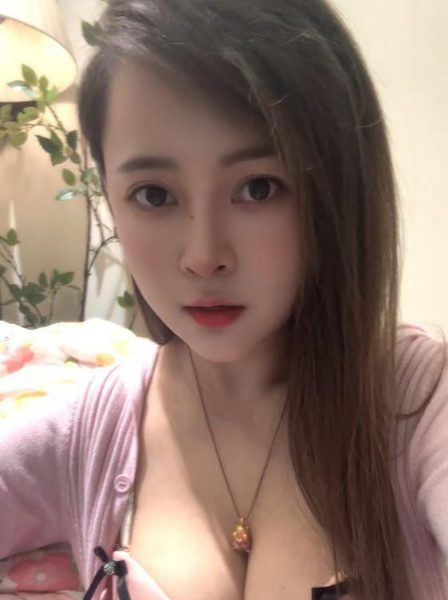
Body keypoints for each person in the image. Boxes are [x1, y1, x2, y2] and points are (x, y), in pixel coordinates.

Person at [1, 0, 447, 599]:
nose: (203, 255)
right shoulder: (90, 429)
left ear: (336, 189)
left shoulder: (418, 403)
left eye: (258, 188)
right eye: (153, 195)